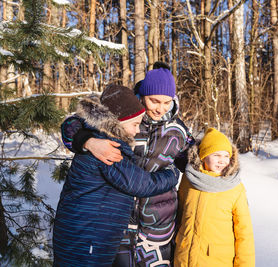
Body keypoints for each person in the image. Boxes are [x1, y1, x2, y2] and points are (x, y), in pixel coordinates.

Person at [60, 64, 194, 266]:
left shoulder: (178, 130)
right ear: (142, 95)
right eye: (154, 101)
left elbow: (195, 161)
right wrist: (88, 141)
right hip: (117, 223)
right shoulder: (122, 115)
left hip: (158, 225)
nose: (160, 108)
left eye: (167, 102)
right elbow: (71, 125)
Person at [174, 128, 255, 267]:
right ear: (203, 156)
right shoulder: (189, 179)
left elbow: (244, 233)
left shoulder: (235, 188)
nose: (222, 161)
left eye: (226, 156)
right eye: (216, 155)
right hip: (183, 258)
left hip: (216, 261)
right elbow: (179, 214)